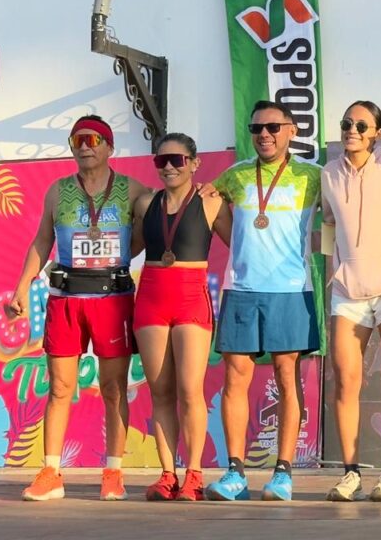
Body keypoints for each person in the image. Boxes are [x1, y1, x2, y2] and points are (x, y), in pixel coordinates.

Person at [13, 115, 149, 501]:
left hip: (112, 300)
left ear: (110, 147)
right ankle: (51, 472)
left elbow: (155, 220)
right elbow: (42, 240)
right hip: (66, 298)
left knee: (113, 388)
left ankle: (113, 473)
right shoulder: (57, 191)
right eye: (77, 141)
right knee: (60, 387)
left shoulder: (130, 189)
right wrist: (22, 286)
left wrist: (120, 257)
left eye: (93, 140)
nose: (85, 147)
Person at [205, 100, 322, 502]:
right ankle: (235, 473)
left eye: (273, 127)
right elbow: (208, 206)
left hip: (291, 290)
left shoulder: (312, 175)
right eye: (256, 129)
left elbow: (341, 215)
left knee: (287, 377)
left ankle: (283, 474)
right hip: (242, 289)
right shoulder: (236, 175)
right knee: (234, 377)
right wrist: (236, 244)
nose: (265, 135)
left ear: (291, 130)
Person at [321, 101, 381, 502]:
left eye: (362, 125)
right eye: (347, 123)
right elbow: (329, 224)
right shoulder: (328, 173)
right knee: (346, 381)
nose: (352, 130)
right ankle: (351, 473)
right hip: (347, 293)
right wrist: (333, 269)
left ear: (378, 132)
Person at [131, 132, 230, 501]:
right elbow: (128, 248)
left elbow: (241, 245)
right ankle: (167, 474)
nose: (170, 167)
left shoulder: (211, 202)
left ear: (194, 163)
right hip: (151, 298)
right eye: (162, 161)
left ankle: (194, 474)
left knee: (190, 391)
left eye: (178, 160)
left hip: (191, 298)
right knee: (160, 392)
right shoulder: (145, 203)